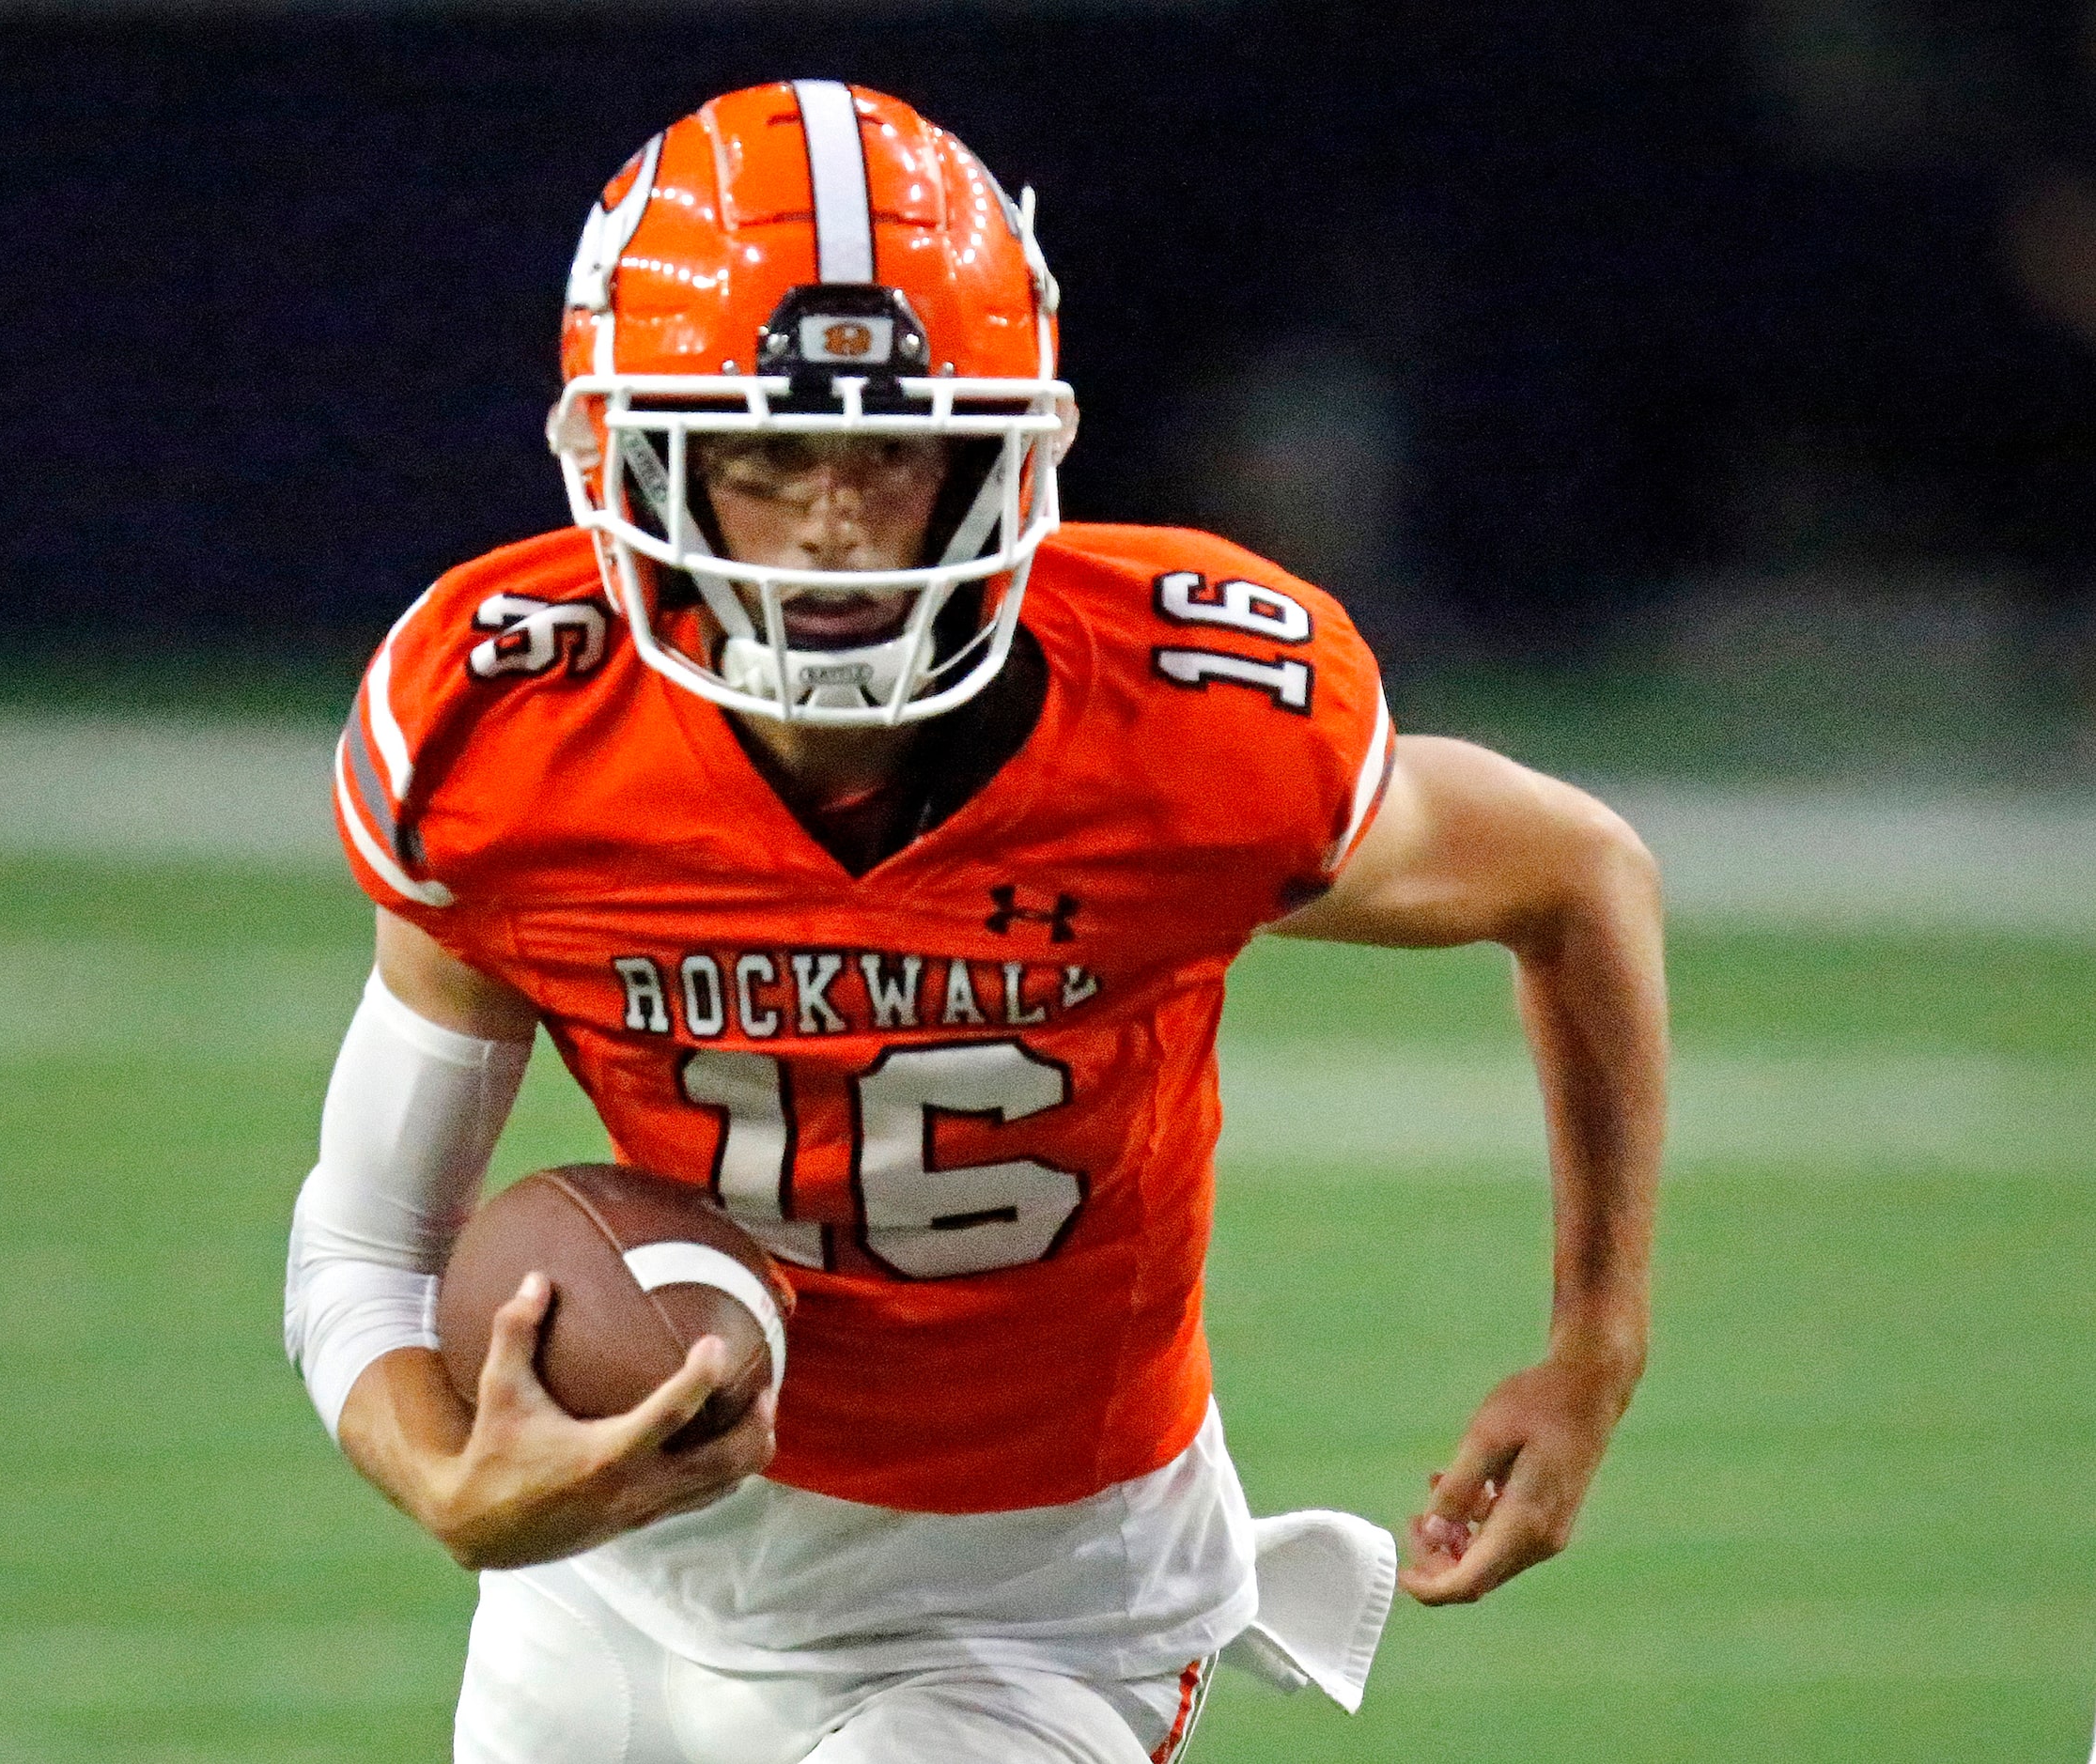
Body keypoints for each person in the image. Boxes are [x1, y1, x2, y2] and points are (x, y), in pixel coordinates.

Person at [283, 80, 1666, 1764]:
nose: (840, 522)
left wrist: (1597, 1339)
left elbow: (1577, 872)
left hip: (1037, 1606)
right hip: (618, 1585)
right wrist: (451, 1475)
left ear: (1008, 449)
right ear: (632, 454)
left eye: (895, 446)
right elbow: (365, 1242)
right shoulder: (511, 735)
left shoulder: (1195, 716)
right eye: (771, 450)